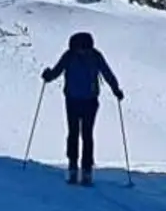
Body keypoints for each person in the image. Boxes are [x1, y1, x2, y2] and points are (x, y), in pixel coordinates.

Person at [41, 31, 124, 185]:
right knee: (82, 134)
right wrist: (116, 89)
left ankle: (79, 167)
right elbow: (107, 73)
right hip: (85, 101)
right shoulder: (93, 56)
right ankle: (81, 168)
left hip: (78, 100)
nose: (79, 51)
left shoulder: (71, 55)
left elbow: (57, 71)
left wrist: (48, 76)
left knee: (79, 134)